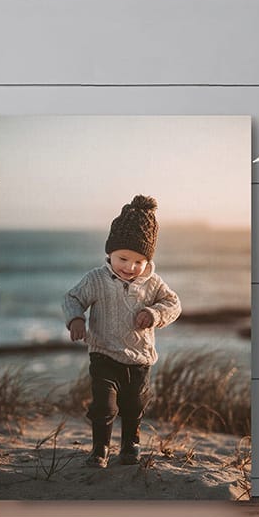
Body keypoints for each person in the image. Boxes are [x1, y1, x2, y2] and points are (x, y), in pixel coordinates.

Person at [62, 195, 182, 468]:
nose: (130, 267)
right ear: (110, 253)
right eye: (123, 258)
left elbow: (174, 304)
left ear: (148, 260)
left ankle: (130, 445)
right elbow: (72, 298)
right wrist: (76, 319)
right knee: (104, 407)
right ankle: (99, 450)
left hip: (139, 360)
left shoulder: (153, 284)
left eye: (139, 261)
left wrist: (154, 314)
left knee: (133, 407)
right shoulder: (96, 279)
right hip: (104, 354)